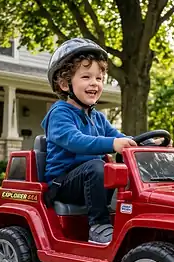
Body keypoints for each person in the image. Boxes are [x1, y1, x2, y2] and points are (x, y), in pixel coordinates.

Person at [40, 38, 137, 245]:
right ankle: (98, 226)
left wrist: (146, 145)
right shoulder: (59, 113)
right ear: (65, 84)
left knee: (122, 170)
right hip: (62, 183)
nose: (95, 83)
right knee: (97, 166)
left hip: (91, 180)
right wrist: (112, 144)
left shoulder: (98, 117)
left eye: (100, 78)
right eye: (86, 77)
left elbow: (120, 138)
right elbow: (76, 140)